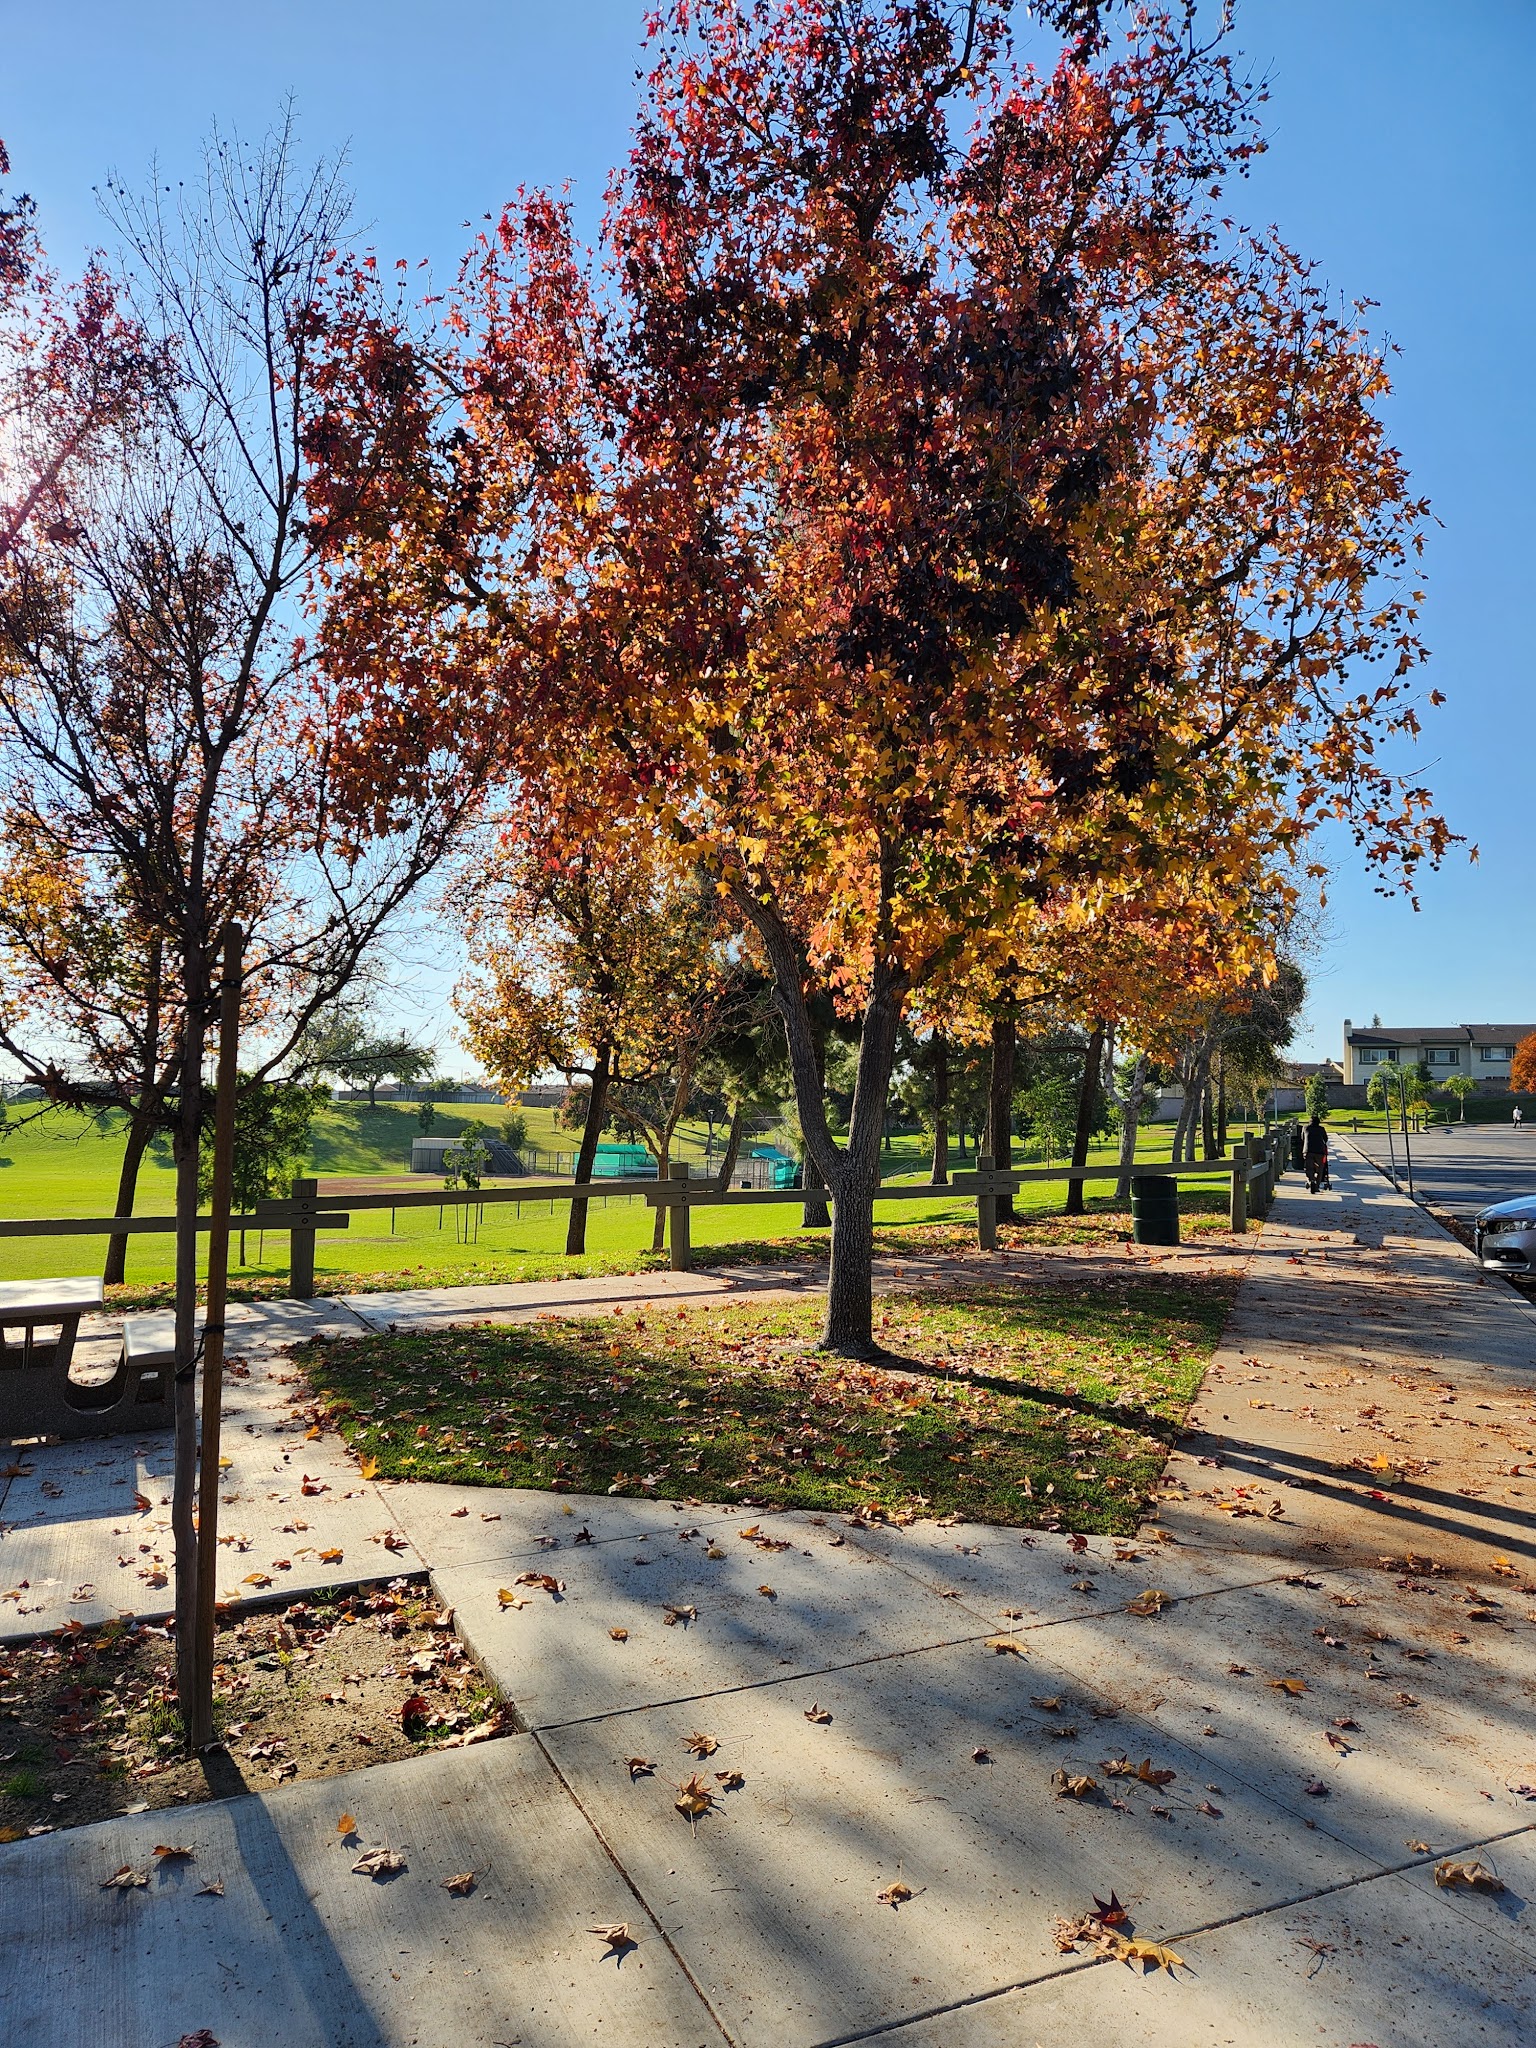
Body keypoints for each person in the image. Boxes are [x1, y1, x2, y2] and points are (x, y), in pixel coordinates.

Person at [1303, 1114, 1329, 1193]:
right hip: (1319, 1151)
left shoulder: (1305, 1128)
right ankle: (1317, 1185)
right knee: (1320, 1168)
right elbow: (1326, 1139)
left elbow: (1302, 1138)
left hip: (1308, 1150)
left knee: (1309, 1167)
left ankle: (1311, 1180)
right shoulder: (1321, 1129)